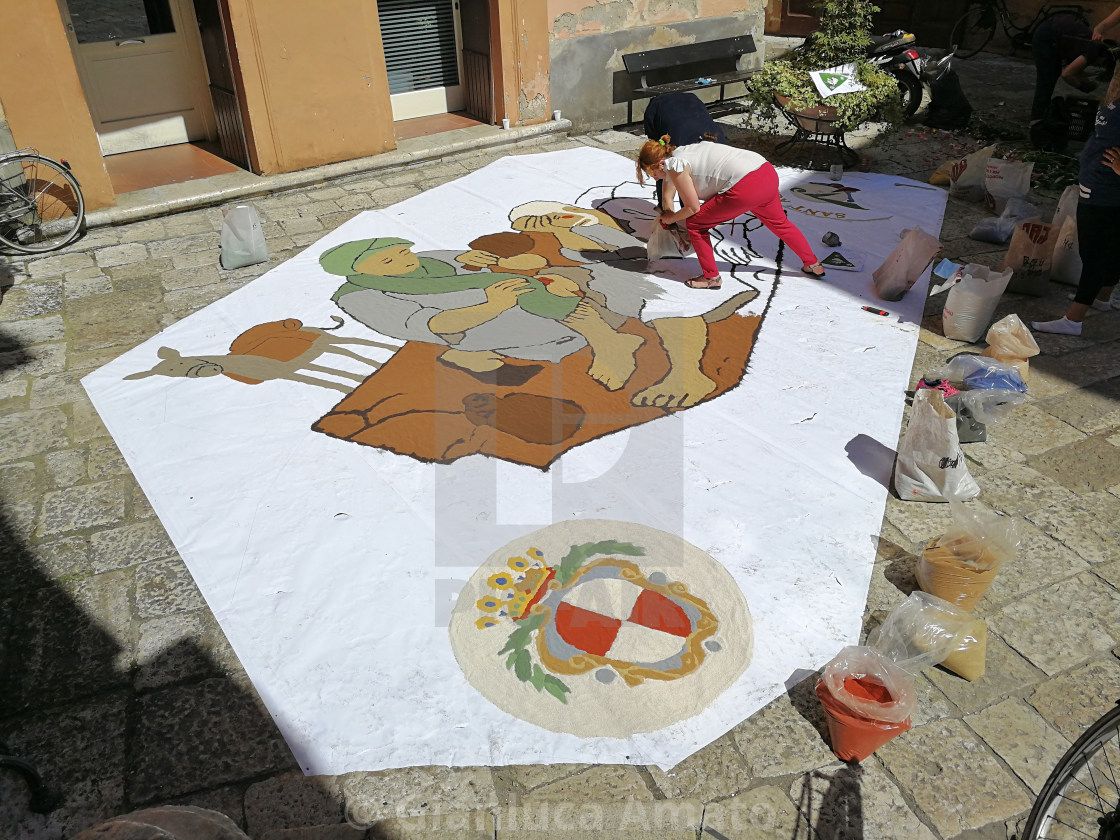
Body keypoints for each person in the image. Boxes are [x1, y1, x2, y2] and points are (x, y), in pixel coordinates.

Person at [636, 135, 824, 289]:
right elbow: (669, 198)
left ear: (660, 164)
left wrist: (670, 219)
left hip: (745, 186)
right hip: (765, 172)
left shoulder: (674, 166)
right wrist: (669, 217)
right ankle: (813, 264)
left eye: (651, 173)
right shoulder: (681, 153)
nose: (654, 178)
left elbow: (693, 208)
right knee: (780, 223)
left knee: (696, 224)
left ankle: (711, 277)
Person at [1031, 91, 1120, 336]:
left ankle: (1073, 320)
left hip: (1104, 192)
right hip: (1103, 188)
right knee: (1111, 249)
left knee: (1094, 255)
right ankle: (1101, 298)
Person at [642, 92, 727, 210]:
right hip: (674, 105)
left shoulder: (681, 154)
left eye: (654, 175)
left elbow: (689, 201)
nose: (655, 178)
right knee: (672, 172)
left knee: (678, 175)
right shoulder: (680, 153)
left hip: (684, 105)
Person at [1030, 11, 1110, 128]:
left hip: (1055, 30)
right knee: (1047, 79)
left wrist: (1085, 78)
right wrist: (1084, 87)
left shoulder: (1097, 47)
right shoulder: (1094, 52)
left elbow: (1076, 69)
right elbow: (1067, 75)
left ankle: (1041, 115)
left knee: (1052, 74)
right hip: (1047, 37)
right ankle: (1036, 122)